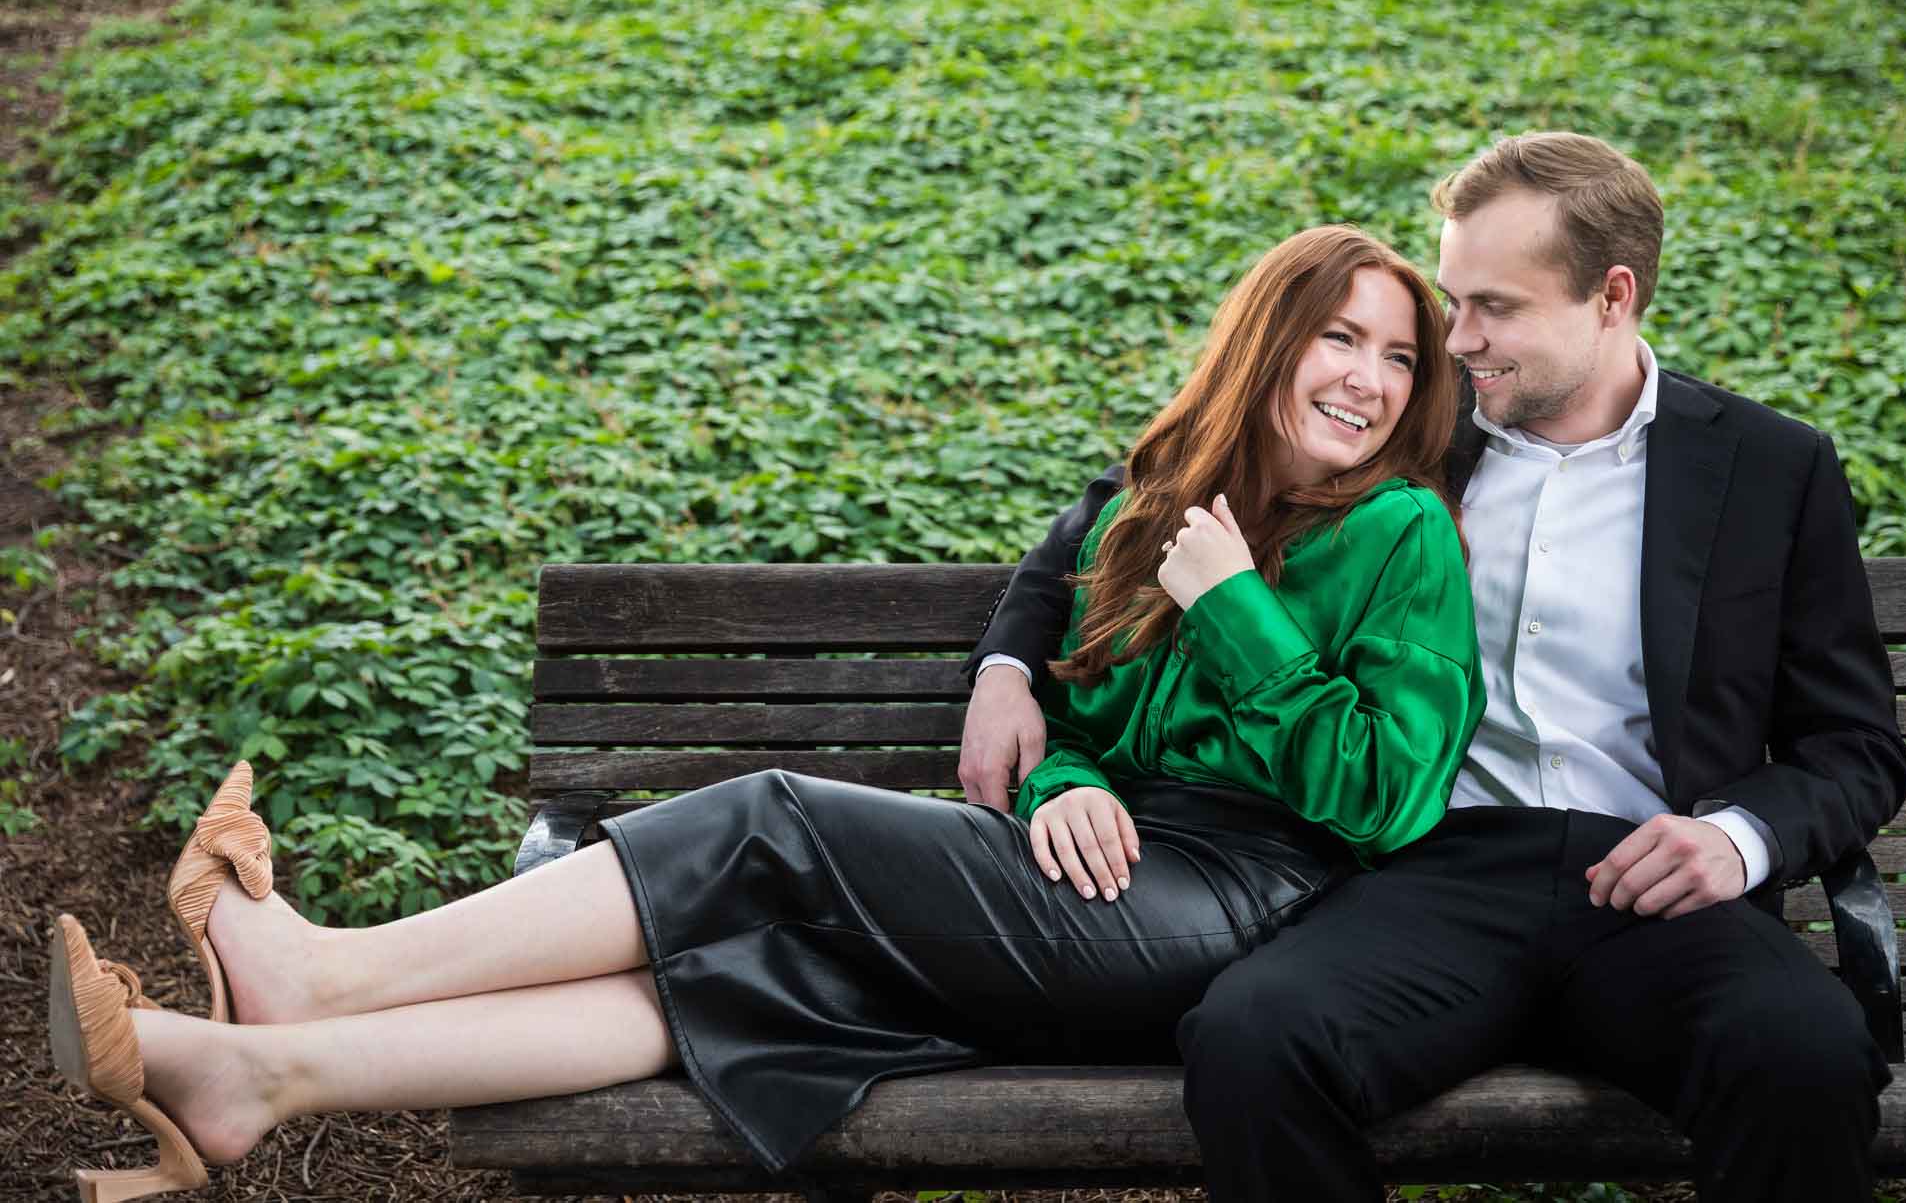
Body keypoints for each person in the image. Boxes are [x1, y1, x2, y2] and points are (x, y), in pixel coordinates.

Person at [48, 224, 1487, 1201]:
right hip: (1108, 877)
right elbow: (1090, 720)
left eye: (1400, 356)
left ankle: (328, 975)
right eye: (1339, 339)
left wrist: (1236, 605)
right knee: (748, 973)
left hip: (1234, 912)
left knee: (770, 825)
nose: (1367, 378)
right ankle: (255, 1072)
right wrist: (1064, 785)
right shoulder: (1160, 512)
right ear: (1270, 342)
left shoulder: (1403, 535)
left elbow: (1385, 793)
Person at [960, 132, 1906, 1201]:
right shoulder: (1402, 426)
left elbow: (1854, 749)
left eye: (1491, 307)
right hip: (1421, 874)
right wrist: (1004, 666)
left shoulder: (1767, 467)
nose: (1453, 339)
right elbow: (1133, 500)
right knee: (1253, 1038)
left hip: (1655, 886)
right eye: (1451, 302)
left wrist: (1735, 841)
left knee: (1806, 1057)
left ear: (1610, 296)